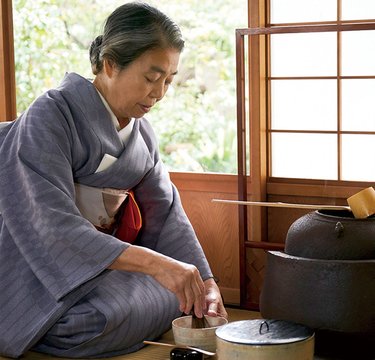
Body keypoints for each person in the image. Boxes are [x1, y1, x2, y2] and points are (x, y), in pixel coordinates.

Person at [0, 2, 227, 358]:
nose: (160, 93)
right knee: (86, 322)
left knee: (185, 294)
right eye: (152, 78)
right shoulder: (51, 115)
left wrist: (207, 282)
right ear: (110, 64)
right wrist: (157, 265)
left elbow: (166, 214)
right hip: (37, 267)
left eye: (169, 80)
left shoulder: (143, 135)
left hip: (97, 266)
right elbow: (50, 225)